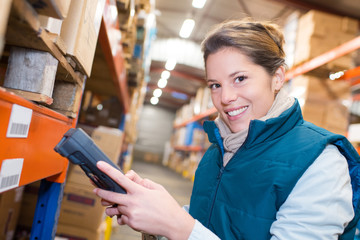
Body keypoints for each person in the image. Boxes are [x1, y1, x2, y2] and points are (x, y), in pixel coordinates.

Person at [93, 19, 360, 239]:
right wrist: (158, 218)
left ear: (277, 78)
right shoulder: (219, 149)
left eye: (240, 79)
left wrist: (178, 227)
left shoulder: (321, 162)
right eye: (215, 85)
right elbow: (214, 223)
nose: (225, 97)